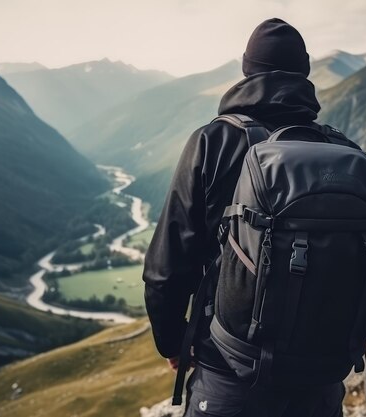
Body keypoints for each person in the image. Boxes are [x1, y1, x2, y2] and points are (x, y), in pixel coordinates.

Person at [143, 18, 346, 417]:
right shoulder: (340, 149)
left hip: (230, 368)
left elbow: (166, 268)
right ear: (304, 72)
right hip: (321, 376)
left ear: (246, 68)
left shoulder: (213, 141)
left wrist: (173, 344)